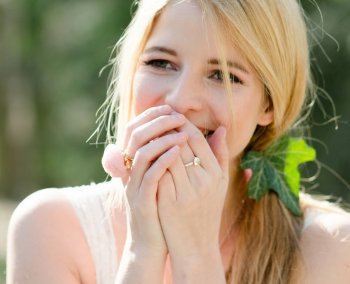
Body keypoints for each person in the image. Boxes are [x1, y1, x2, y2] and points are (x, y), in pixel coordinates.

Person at [6, 0, 350, 283]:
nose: (181, 98)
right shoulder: (49, 229)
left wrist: (197, 257)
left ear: (269, 105)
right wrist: (143, 253)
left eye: (224, 76)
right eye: (161, 63)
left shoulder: (329, 249)